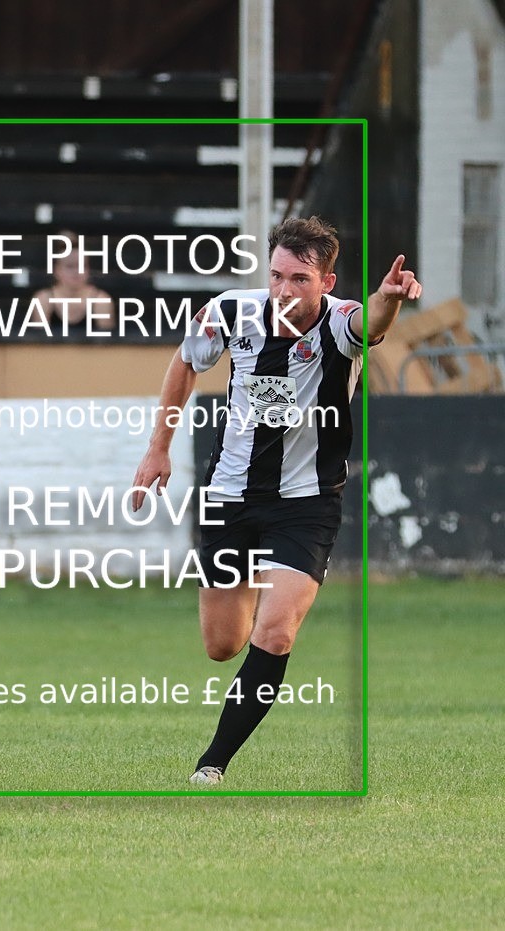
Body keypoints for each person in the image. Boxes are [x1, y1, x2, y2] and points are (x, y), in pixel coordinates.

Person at [131, 216, 421, 786]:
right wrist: (157, 449)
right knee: (222, 645)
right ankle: (265, 596)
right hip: (232, 494)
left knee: (276, 633)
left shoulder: (341, 325)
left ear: (327, 283)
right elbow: (185, 363)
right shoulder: (231, 312)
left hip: (306, 501)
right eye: (277, 276)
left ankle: (211, 764)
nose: (285, 290)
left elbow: (372, 320)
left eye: (300, 279)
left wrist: (388, 299)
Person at [32, 231, 114, 332]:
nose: (77, 272)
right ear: (57, 270)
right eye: (70, 267)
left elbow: (108, 345)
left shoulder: (101, 301)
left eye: (82, 266)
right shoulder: (43, 299)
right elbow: (38, 344)